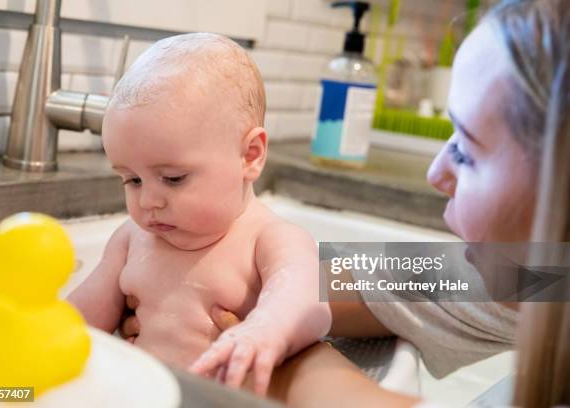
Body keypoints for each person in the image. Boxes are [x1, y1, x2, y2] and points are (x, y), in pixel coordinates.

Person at [121, 0, 569, 406]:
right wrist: (200, 283)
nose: (436, 173)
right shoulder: (544, 276)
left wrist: (288, 361)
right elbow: (408, 282)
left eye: (466, 151)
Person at [68, 32, 332, 396]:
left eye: (173, 179)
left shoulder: (269, 238)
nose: (148, 201)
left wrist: (265, 328)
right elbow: (75, 323)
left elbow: (309, 301)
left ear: (250, 155)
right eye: (131, 179)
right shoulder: (132, 240)